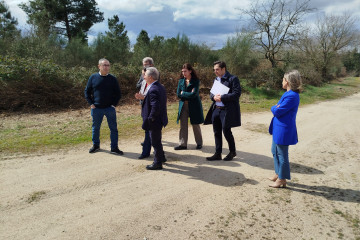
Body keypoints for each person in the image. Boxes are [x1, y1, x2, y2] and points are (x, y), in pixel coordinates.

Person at [268, 70, 302, 188]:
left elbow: (277, 110)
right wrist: (276, 107)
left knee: (282, 155)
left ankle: (282, 179)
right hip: (278, 128)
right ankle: (278, 173)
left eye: (283, 79)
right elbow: (278, 108)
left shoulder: (292, 96)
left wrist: (274, 107)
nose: (281, 81)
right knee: (274, 151)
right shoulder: (287, 94)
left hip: (284, 129)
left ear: (287, 82)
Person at [84, 58, 123, 155]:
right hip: (96, 109)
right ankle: (96, 145)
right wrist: (91, 103)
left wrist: (114, 105)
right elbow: (87, 91)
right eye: (104, 65)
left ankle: (114, 148)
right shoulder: (93, 77)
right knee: (95, 128)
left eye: (108, 65)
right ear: (99, 66)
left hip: (110, 109)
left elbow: (118, 93)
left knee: (113, 128)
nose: (106, 67)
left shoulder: (113, 79)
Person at [204, 61, 241, 161]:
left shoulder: (233, 79)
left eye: (217, 69)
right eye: (214, 69)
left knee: (226, 131)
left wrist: (223, 97)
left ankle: (232, 152)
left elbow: (237, 94)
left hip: (227, 110)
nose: (215, 71)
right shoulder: (216, 79)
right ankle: (218, 153)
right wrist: (213, 97)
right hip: (216, 109)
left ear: (223, 69)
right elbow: (211, 94)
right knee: (216, 132)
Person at [141, 67, 168, 170]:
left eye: (145, 75)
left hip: (155, 120)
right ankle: (161, 157)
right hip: (160, 118)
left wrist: (150, 118)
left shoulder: (153, 89)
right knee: (157, 140)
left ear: (150, 77)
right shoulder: (160, 86)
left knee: (155, 142)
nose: (144, 77)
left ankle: (157, 163)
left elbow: (155, 106)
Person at [174, 63, 204, 150]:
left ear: (190, 71)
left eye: (185, 71)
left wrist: (183, 93)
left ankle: (199, 143)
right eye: (182, 71)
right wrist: (187, 94)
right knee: (183, 125)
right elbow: (178, 94)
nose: (183, 73)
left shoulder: (196, 81)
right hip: (183, 106)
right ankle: (182, 144)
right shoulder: (181, 81)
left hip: (194, 106)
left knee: (195, 124)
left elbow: (194, 94)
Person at [135, 57, 155, 159]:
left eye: (146, 65)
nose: (145, 67)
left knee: (152, 130)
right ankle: (149, 151)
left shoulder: (155, 76)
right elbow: (137, 85)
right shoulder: (143, 76)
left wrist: (144, 97)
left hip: (152, 109)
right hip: (144, 105)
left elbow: (154, 95)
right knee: (147, 129)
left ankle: (156, 154)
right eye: (144, 65)